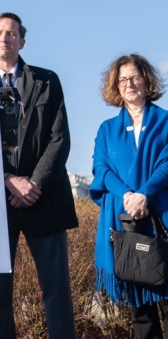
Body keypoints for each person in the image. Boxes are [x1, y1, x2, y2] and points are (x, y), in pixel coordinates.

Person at [0, 12, 78, 339]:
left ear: (22, 41)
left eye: (11, 33)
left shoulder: (47, 80)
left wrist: (34, 183)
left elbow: (60, 138)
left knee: (57, 293)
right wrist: (6, 179)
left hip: (45, 197)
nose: (4, 38)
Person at [90, 54, 168, 339]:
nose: (129, 84)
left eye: (134, 77)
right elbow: (101, 168)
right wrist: (127, 196)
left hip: (162, 217)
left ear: (146, 80)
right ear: (115, 85)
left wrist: (145, 194)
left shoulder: (165, 122)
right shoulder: (107, 129)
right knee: (140, 311)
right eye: (122, 79)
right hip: (125, 222)